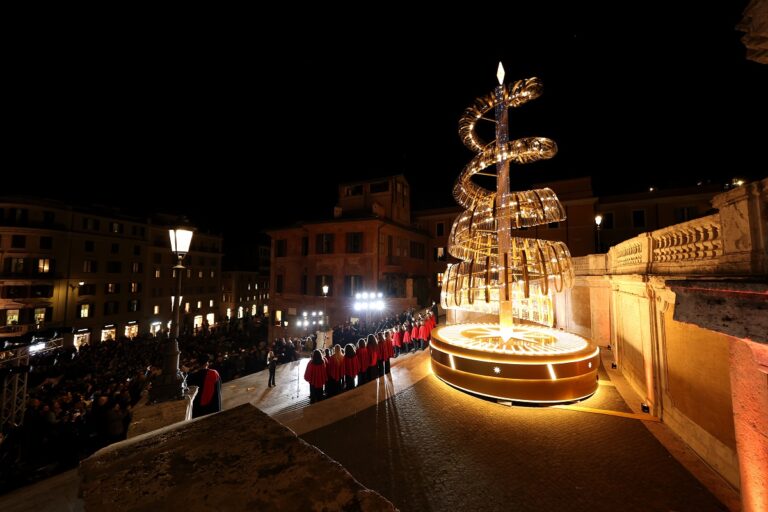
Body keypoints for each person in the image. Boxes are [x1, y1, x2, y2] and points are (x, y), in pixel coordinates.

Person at [187, 354, 222, 418]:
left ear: (197, 364)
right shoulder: (213, 374)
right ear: (207, 363)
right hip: (212, 407)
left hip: (197, 410)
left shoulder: (191, 377)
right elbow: (218, 391)